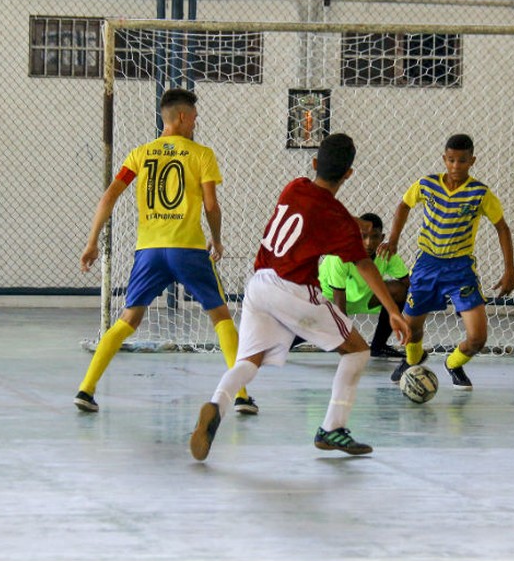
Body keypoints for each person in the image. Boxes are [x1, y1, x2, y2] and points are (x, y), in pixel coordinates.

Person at [189, 133, 410, 461]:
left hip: (259, 284)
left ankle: (217, 405)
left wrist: (354, 222)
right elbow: (364, 264)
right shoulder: (338, 221)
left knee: (249, 361)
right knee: (358, 352)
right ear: (349, 173)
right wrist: (392, 310)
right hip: (293, 290)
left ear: (314, 163)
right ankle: (331, 428)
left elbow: (322, 211)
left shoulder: (294, 186)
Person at [76, 88, 255, 414]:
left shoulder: (139, 154)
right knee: (221, 316)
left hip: (149, 251)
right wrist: (216, 239)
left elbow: (109, 197)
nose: (196, 123)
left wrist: (91, 242)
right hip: (187, 249)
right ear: (184, 117)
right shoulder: (201, 155)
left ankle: (86, 390)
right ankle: (241, 395)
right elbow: (211, 205)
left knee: (128, 318)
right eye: (195, 118)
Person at [379, 133, 514, 391]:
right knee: (411, 330)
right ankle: (413, 360)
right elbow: (404, 205)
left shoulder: (480, 193)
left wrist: (510, 270)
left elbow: (502, 228)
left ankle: (453, 364)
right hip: (427, 266)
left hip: (460, 269)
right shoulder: (427, 184)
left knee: (478, 338)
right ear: (444, 159)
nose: (455, 166)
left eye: (462, 161)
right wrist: (394, 239)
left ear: (472, 161)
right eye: (451, 160)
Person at [319, 212, 409, 359]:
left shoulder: (386, 254)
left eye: (375, 237)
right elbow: (339, 301)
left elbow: (408, 285)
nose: (369, 243)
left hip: (364, 298)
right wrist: (350, 343)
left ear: (382, 238)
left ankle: (378, 347)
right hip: (330, 301)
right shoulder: (340, 256)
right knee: (305, 330)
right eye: (363, 236)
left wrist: (412, 320)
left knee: (400, 290)